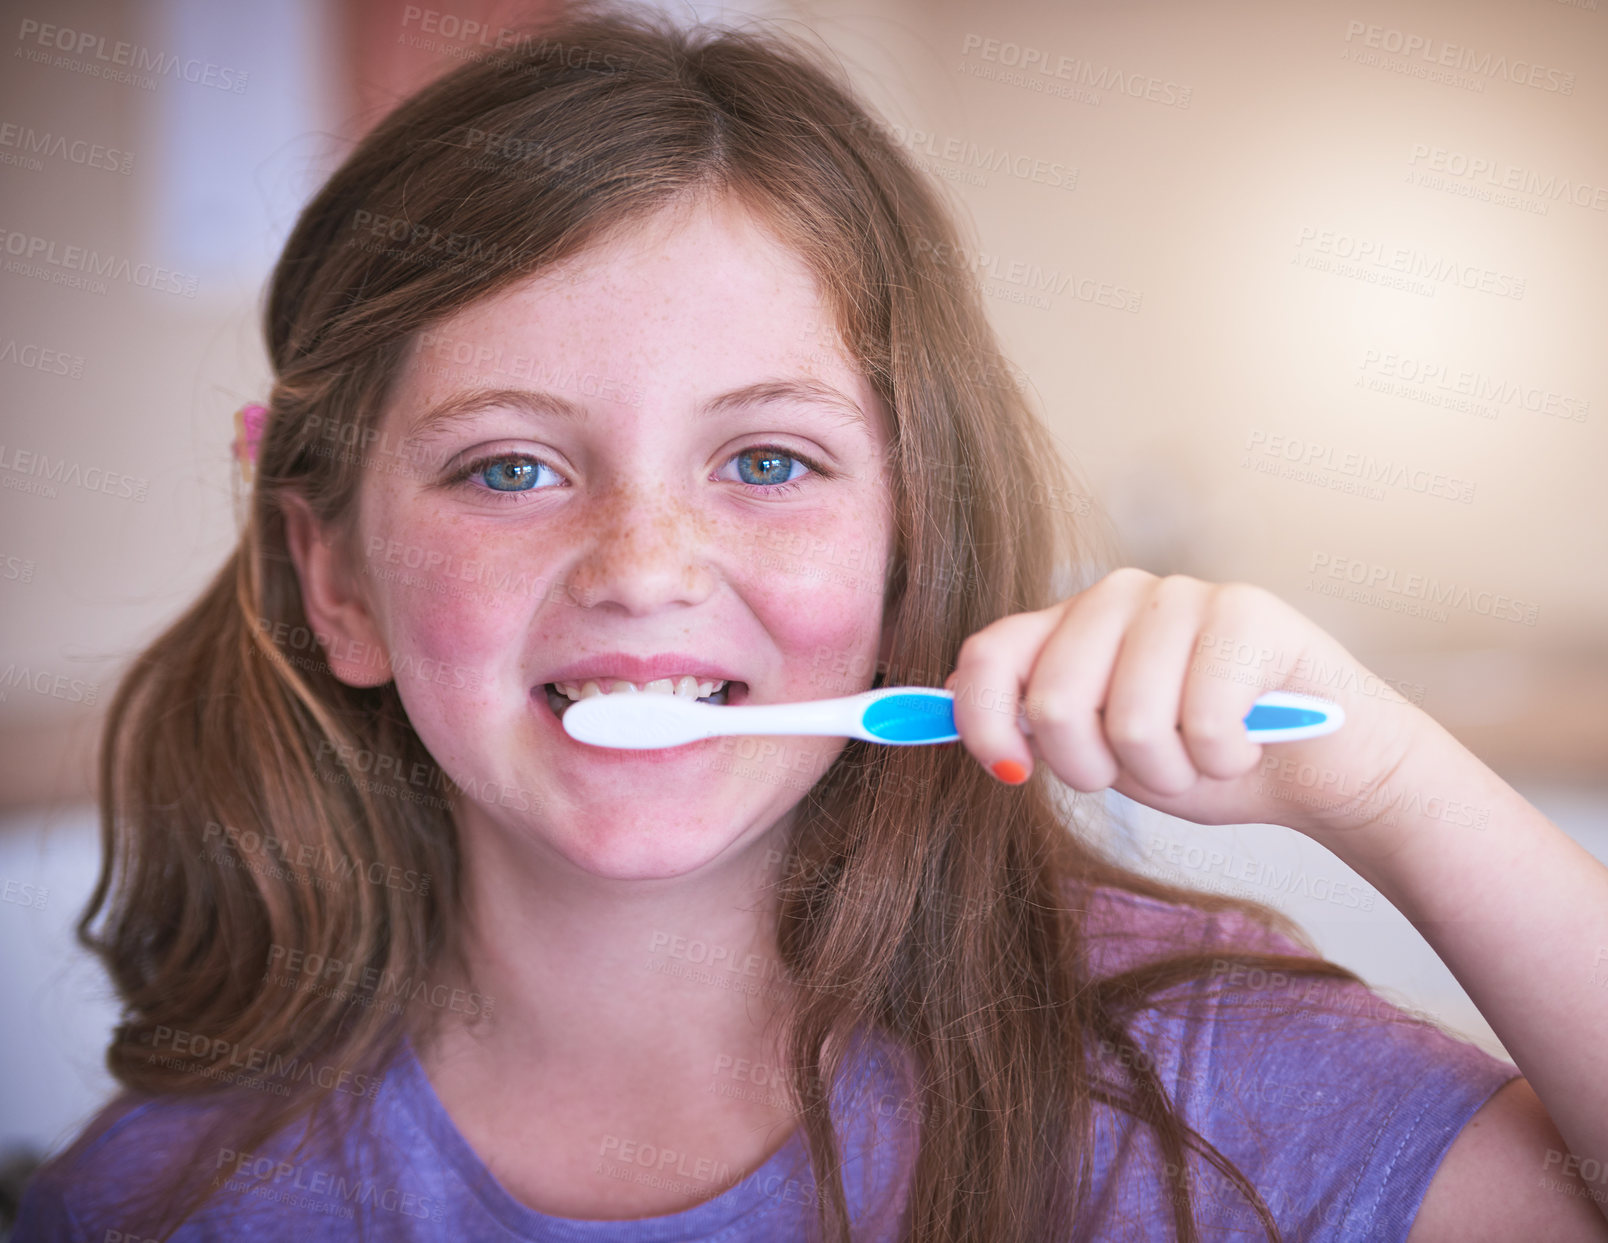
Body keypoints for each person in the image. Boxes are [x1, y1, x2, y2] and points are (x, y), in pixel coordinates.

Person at [14, 4, 1608, 1240]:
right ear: (336, 581)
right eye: (510, 466)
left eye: (768, 460)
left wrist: (1390, 788)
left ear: (912, 544)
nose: (643, 561)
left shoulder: (1193, 1093)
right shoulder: (172, 1199)